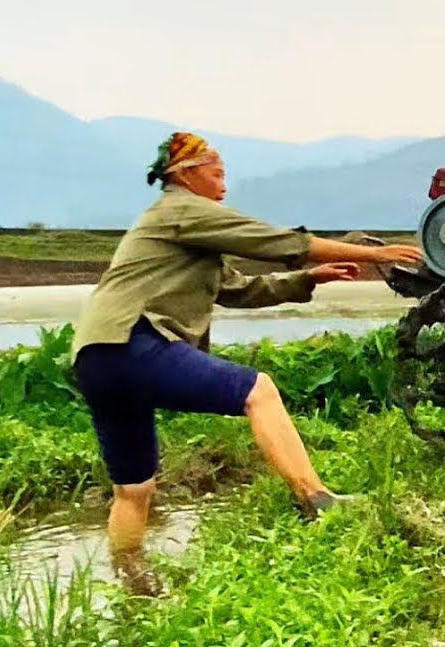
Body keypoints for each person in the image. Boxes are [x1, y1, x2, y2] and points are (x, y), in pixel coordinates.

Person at [71, 131, 423, 588]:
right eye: (217, 174)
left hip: (96, 358)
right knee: (259, 390)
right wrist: (375, 253)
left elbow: (240, 289)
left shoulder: (182, 226)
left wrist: (308, 279)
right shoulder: (183, 209)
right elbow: (275, 240)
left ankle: (131, 583)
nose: (223, 186)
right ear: (187, 174)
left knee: (134, 489)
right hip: (133, 342)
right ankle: (315, 498)